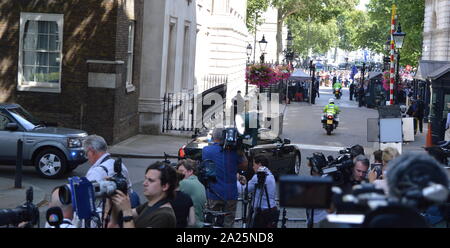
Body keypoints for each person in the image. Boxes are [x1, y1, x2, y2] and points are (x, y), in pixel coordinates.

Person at [202, 127, 248, 228]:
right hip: (230, 194)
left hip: (214, 193)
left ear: (213, 137)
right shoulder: (234, 152)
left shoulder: (207, 150)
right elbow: (244, 165)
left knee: (212, 223)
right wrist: (240, 150)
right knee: (228, 223)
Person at [109, 161, 177, 228]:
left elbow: (127, 214)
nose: (144, 183)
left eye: (150, 180)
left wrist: (127, 212)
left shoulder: (164, 216)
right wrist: (115, 193)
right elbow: (123, 214)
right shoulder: (150, 204)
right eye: (145, 179)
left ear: (165, 186)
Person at [241, 155, 278, 228]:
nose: (253, 167)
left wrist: (236, 180)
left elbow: (244, 190)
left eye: (254, 164)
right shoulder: (270, 175)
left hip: (261, 213)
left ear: (259, 164)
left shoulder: (257, 177)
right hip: (271, 210)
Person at [177, 159, 207, 228]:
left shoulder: (185, 183)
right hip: (199, 222)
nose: (178, 174)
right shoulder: (199, 184)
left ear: (190, 171)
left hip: (190, 224)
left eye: (181, 171)